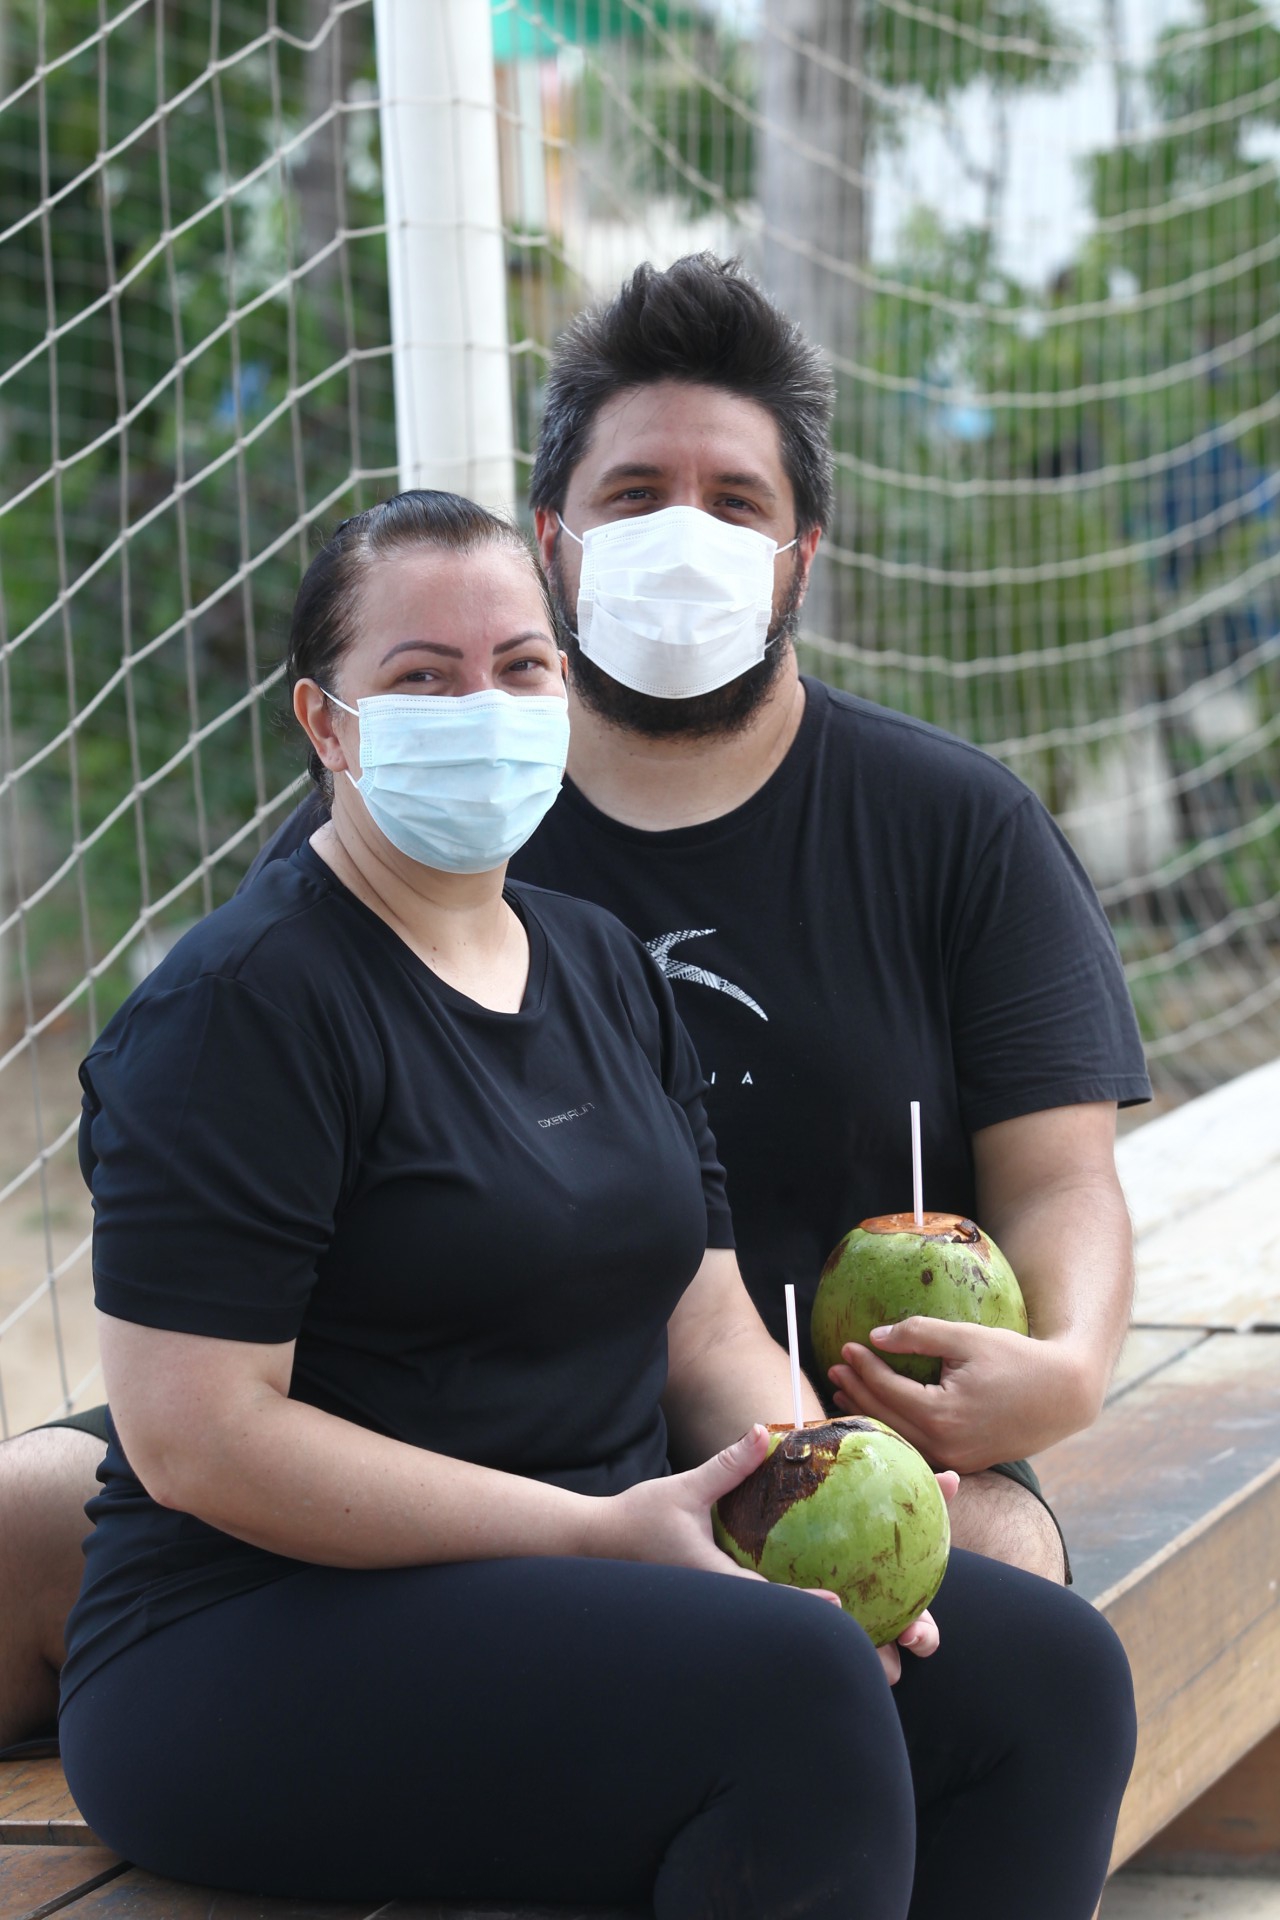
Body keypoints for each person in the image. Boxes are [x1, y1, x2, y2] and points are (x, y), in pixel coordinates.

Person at [0, 252, 1149, 1752]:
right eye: (633, 495)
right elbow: (225, 1273)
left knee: (987, 1597)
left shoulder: (955, 825)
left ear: (806, 547)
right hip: (434, 1437)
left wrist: (1059, 1374)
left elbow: (1065, 1174)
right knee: (22, 1517)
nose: (686, 536)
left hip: (825, 1439)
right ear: (556, 541)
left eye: (735, 502)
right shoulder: (385, 839)